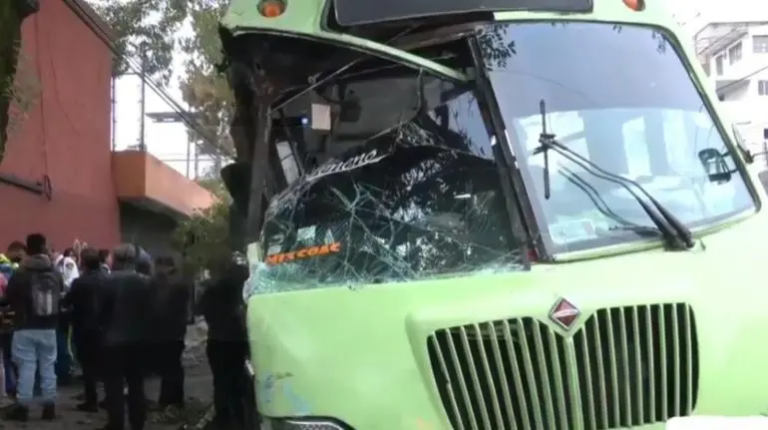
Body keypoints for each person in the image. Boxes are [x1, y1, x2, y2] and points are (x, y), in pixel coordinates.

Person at [5, 233, 63, 422]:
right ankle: (49, 406)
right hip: (49, 326)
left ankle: (23, 406)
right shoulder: (53, 271)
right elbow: (61, 291)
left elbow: (10, 297)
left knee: (26, 366)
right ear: (44, 247)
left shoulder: (21, 272)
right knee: (48, 365)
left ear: (28, 249)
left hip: (25, 325)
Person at [100, 244, 153, 430]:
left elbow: (100, 311)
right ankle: (138, 422)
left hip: (112, 340)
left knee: (113, 384)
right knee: (136, 383)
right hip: (138, 340)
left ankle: (116, 423)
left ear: (116, 259)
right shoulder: (145, 282)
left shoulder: (107, 281)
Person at [198, 256, 250, 429]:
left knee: (220, 382)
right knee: (237, 379)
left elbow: (201, 310)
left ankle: (223, 419)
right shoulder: (242, 289)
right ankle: (240, 418)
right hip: (237, 340)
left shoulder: (212, 289)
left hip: (217, 340)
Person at [66, 248, 106, 412]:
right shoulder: (107, 279)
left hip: (83, 327)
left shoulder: (79, 282)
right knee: (107, 364)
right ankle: (110, 398)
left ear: (83, 263)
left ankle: (91, 400)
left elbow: (67, 301)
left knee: (87, 366)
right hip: (104, 326)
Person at [150, 255, 189, 416]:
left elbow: (162, 307)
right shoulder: (177, 282)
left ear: (163, 266)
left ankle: (167, 400)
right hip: (176, 331)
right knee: (174, 366)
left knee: (169, 367)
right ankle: (176, 400)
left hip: (168, 332)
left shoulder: (171, 284)